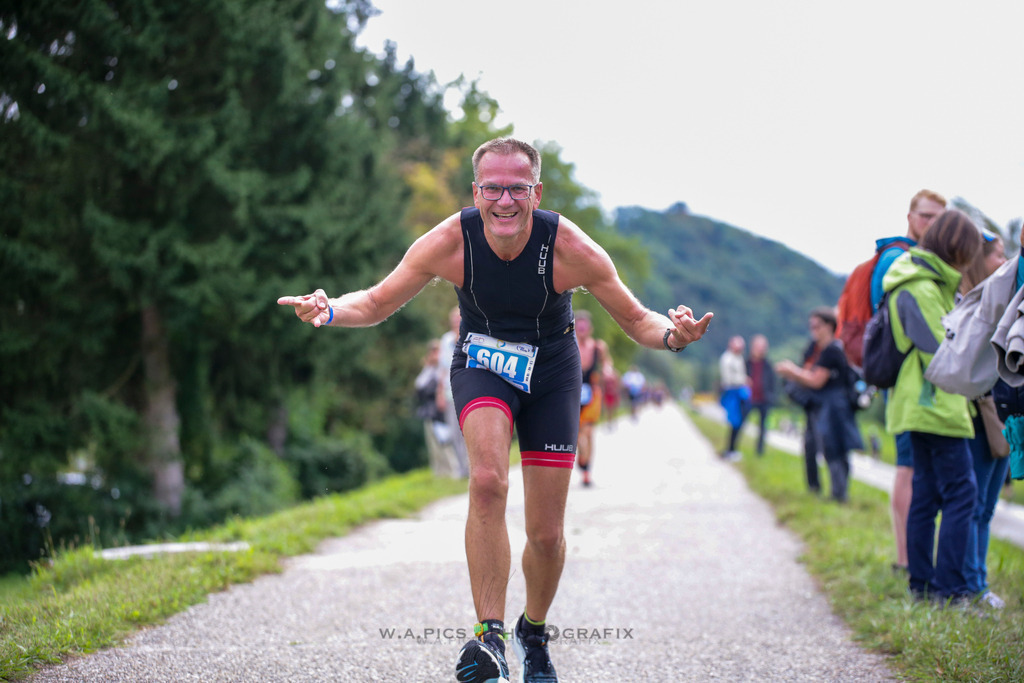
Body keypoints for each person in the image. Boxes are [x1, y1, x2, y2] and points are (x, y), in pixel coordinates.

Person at [278, 137, 713, 683]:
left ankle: (533, 629)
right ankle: (489, 640)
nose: (503, 201)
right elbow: (376, 302)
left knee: (548, 535)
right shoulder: (448, 241)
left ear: (536, 192)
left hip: (552, 373)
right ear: (475, 191)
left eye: (516, 188)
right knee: (487, 480)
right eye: (492, 188)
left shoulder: (571, 248)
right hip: (484, 363)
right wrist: (329, 310)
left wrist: (675, 335)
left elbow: (636, 319)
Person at [883, 209, 981, 604]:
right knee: (962, 493)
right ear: (959, 249)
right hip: (933, 402)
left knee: (927, 493)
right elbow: (941, 354)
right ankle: (950, 588)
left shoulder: (919, 279)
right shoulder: (921, 286)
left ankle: (922, 585)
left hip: (919, 402)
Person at [874, 189, 947, 575]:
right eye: (926, 216)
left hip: (919, 382)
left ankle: (913, 558)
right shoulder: (897, 260)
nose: (932, 225)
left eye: (941, 219)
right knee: (908, 467)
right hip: (907, 381)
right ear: (909, 216)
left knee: (917, 469)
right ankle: (905, 559)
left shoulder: (922, 261)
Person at [959, 232, 1009, 609]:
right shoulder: (974, 306)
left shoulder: (1004, 301)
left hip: (1001, 414)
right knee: (974, 504)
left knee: (987, 506)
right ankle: (971, 583)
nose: (1004, 264)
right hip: (979, 414)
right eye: (998, 257)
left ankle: (978, 580)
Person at [776, 307, 863, 502]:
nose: (813, 330)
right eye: (811, 326)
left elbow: (816, 380)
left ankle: (839, 495)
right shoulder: (816, 349)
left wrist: (792, 372)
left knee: (834, 449)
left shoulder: (832, 350)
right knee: (821, 447)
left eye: (817, 326)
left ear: (830, 326)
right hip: (822, 405)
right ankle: (827, 491)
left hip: (834, 406)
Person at [574, 310, 611, 487]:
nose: (581, 330)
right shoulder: (569, 345)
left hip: (592, 393)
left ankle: (587, 471)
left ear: (590, 329)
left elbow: (607, 364)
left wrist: (608, 372)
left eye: (584, 327)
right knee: (577, 433)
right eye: (578, 327)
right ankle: (582, 457)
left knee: (588, 432)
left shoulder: (598, 347)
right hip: (572, 392)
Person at [415, 339, 459, 478]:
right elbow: (419, 385)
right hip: (432, 412)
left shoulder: (445, 365)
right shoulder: (429, 369)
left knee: (449, 441)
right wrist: (428, 366)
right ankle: (441, 473)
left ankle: (454, 470)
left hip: (446, 408)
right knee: (435, 445)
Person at [438, 306, 470, 478]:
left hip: (468, 390)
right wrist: (439, 394)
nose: (456, 323)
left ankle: (475, 465)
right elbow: (442, 370)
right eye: (454, 321)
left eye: (459, 320)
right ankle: (462, 468)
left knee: (471, 431)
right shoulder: (445, 341)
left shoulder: (471, 337)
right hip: (450, 394)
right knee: (455, 433)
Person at [719, 335, 749, 461]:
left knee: (738, 423)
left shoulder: (738, 358)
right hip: (733, 393)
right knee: (735, 422)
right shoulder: (727, 359)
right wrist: (744, 380)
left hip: (740, 392)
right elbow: (728, 379)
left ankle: (732, 449)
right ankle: (730, 450)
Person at [745, 334, 776, 456]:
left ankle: (760, 452)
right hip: (748, 398)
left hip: (764, 399)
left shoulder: (768, 365)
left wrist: (771, 396)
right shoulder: (746, 363)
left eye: (763, 347)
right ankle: (732, 448)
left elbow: (772, 382)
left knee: (763, 428)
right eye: (759, 346)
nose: (761, 349)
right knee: (740, 422)